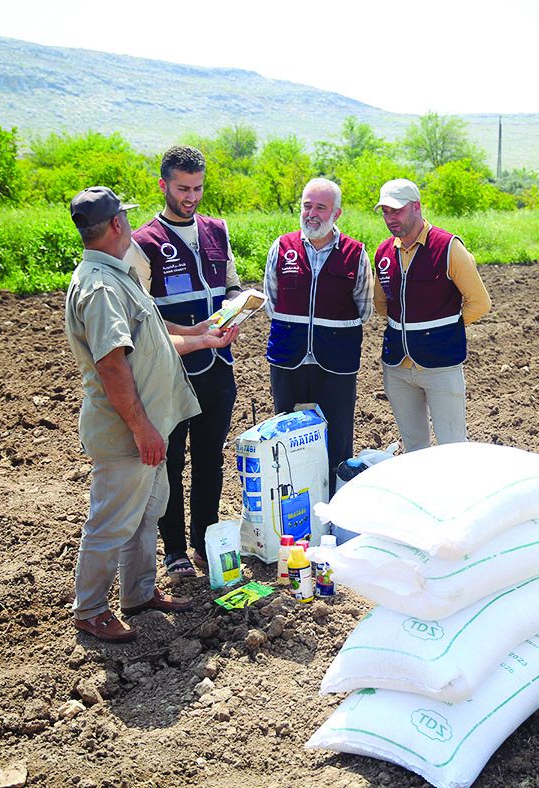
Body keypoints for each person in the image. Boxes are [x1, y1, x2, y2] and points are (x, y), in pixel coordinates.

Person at [64, 186, 237, 642]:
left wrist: (201, 336)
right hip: (126, 431)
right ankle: (91, 608)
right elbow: (111, 364)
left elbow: (155, 338)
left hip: (147, 424)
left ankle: (138, 592)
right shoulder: (101, 286)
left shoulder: (117, 275)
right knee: (111, 520)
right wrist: (141, 428)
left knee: (144, 513)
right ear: (118, 224)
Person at [127, 145, 242, 578]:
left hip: (218, 367)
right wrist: (193, 335)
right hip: (171, 371)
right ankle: (174, 548)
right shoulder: (143, 243)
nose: (191, 197)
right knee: (172, 461)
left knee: (210, 458)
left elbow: (230, 284)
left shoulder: (217, 230)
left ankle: (205, 540)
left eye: (197, 187)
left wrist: (236, 310)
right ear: (163, 186)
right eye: (182, 188)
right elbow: (142, 312)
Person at [263, 178, 373, 489]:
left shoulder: (355, 253)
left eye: (320, 207)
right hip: (288, 357)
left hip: (337, 362)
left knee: (337, 438)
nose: (312, 213)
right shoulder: (282, 248)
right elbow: (272, 300)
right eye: (307, 206)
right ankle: (292, 503)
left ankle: (336, 508)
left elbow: (364, 308)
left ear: (336, 213)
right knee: (286, 436)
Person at [372, 179, 491, 452]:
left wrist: (443, 331)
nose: (390, 218)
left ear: (416, 207)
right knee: (414, 448)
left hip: (441, 365)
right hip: (397, 366)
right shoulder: (383, 252)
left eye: (397, 211)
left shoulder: (448, 247)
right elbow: (382, 303)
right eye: (385, 212)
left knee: (452, 448)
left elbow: (479, 302)